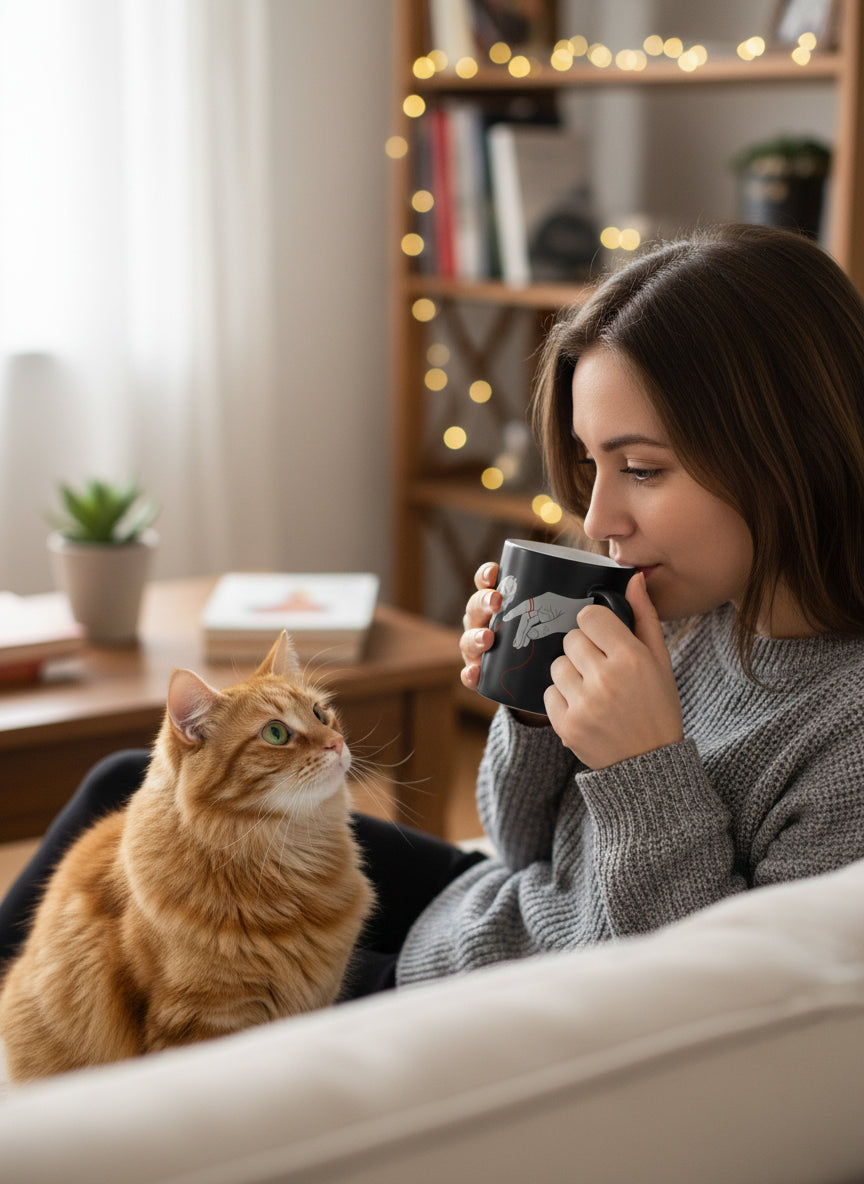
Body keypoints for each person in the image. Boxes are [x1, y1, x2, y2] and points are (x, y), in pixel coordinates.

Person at [3, 222, 864, 998]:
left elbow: (715, 1007)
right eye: (591, 465)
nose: (600, 520)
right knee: (131, 788)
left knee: (153, 953)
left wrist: (642, 766)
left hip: (465, 1005)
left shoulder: (843, 736)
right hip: (483, 918)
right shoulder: (687, 610)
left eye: (641, 468)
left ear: (789, 450)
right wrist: (534, 707)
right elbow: (523, 845)